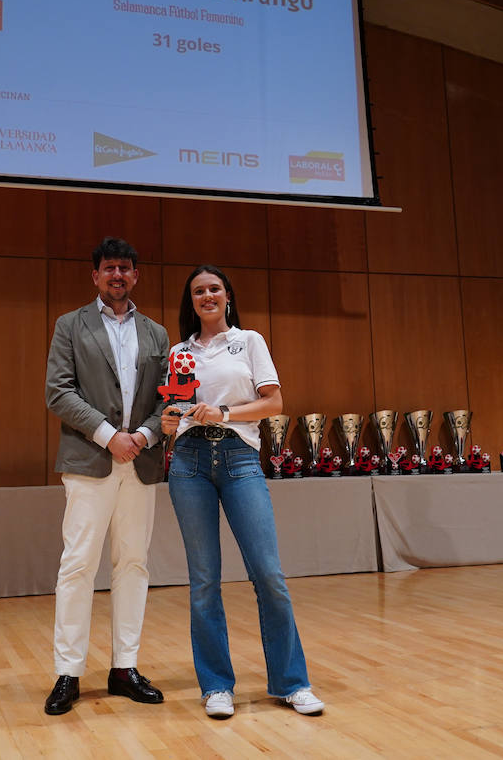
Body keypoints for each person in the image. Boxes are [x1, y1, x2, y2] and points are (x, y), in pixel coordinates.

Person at [160, 264, 325, 720]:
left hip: (239, 460)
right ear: (190, 301)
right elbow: (172, 408)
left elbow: (274, 403)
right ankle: (215, 685)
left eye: (214, 288)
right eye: (198, 291)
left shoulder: (249, 341)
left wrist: (226, 412)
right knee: (204, 581)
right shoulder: (179, 351)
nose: (207, 296)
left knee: (268, 575)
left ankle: (292, 683)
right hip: (189, 463)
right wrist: (168, 422)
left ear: (227, 295)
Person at [43, 237, 169, 715]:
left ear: (136, 276)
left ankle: (125, 668)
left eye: (126, 268)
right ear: (94, 276)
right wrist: (107, 434)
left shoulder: (158, 334)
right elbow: (58, 391)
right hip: (89, 463)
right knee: (77, 566)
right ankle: (68, 672)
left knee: (133, 564)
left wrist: (141, 434)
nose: (118, 275)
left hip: (141, 461)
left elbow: (170, 398)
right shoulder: (69, 326)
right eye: (109, 268)